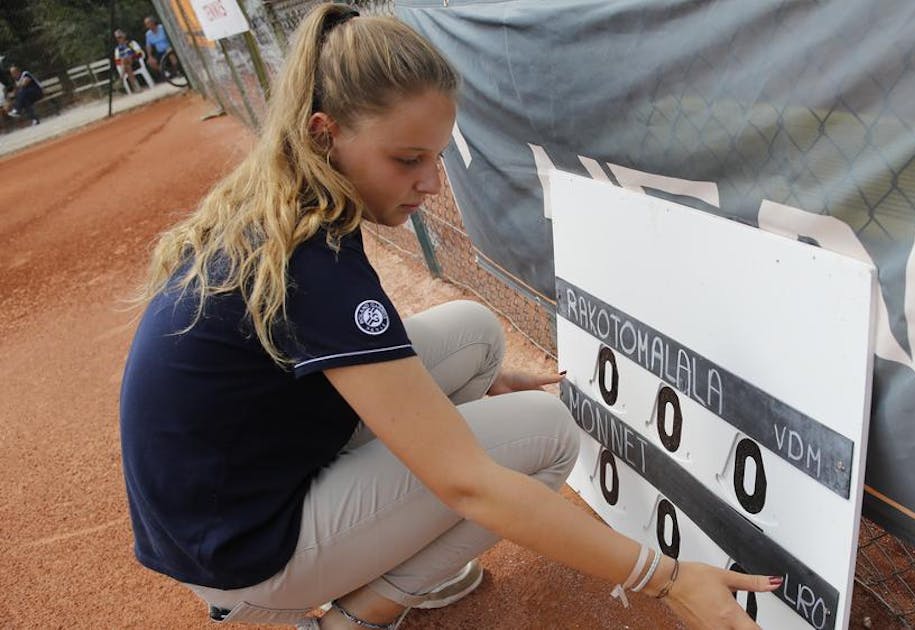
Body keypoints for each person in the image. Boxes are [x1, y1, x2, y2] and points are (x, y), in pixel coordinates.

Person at [118, 4, 781, 629]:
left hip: (229, 498)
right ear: (325, 134)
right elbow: (470, 487)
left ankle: (381, 559)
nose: (432, 183)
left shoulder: (293, 199)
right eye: (407, 160)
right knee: (546, 435)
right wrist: (664, 578)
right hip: (244, 554)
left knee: (474, 335)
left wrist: (462, 395)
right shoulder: (312, 263)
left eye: (437, 155)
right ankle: (349, 617)